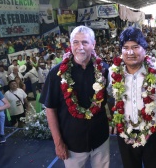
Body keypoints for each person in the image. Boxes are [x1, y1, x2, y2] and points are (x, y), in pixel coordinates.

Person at [40, 26, 110, 168]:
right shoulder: (56, 74)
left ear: (93, 44)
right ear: (70, 44)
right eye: (75, 42)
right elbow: (50, 109)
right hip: (72, 144)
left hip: (100, 139)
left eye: (84, 42)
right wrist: (58, 143)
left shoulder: (104, 69)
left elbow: (113, 99)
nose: (80, 47)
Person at [107, 27, 156, 168]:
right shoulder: (113, 72)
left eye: (135, 47)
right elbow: (110, 96)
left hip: (153, 132)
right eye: (125, 47)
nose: (130, 52)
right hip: (125, 132)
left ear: (144, 49)